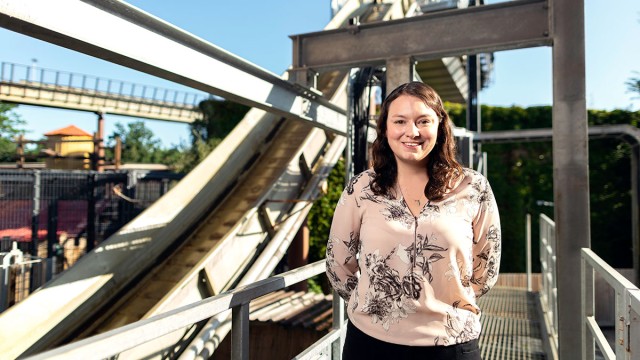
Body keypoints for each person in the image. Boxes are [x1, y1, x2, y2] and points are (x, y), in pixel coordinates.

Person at [326, 81, 501, 359]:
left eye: (423, 121)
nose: (412, 132)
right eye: (400, 121)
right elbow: (338, 263)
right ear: (385, 129)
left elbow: (486, 268)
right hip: (371, 344)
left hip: (451, 344)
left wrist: (445, 307)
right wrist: (375, 306)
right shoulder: (361, 189)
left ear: (440, 126)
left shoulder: (473, 187)